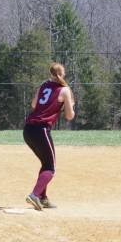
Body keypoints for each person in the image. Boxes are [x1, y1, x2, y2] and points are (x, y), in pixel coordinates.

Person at [24, 62, 75, 211]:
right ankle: (34, 194)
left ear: (50, 74)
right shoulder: (64, 90)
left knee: (45, 163)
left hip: (28, 129)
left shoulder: (43, 86)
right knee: (50, 168)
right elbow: (69, 116)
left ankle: (42, 198)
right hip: (41, 130)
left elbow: (34, 105)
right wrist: (70, 104)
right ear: (62, 74)